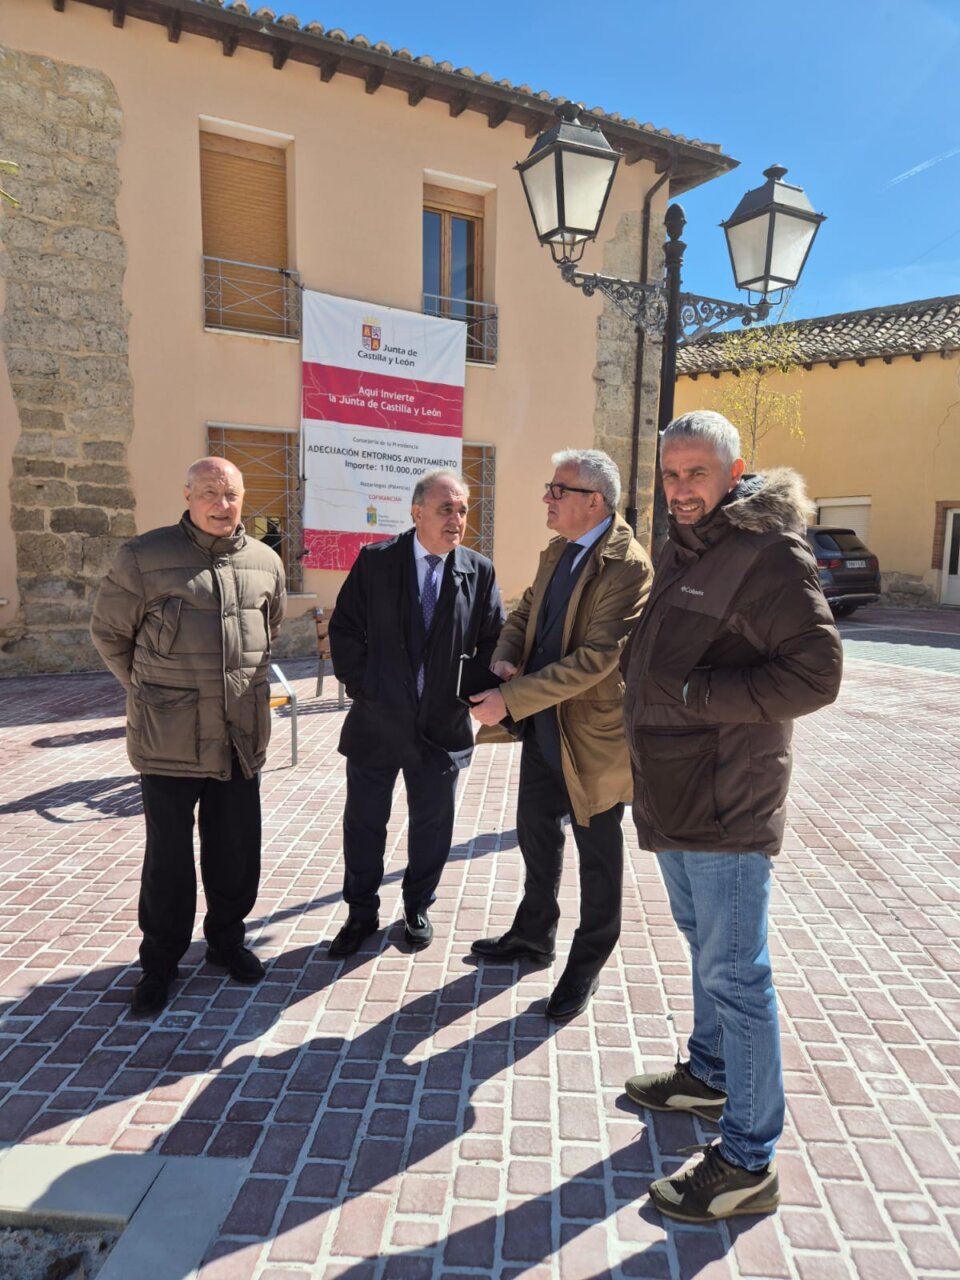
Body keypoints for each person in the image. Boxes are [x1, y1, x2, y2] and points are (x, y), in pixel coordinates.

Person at [620, 410, 842, 1223]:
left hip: (726, 801)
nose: (681, 489)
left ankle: (749, 1161)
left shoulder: (767, 553)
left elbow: (816, 675)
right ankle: (711, 1075)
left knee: (737, 976)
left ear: (734, 472)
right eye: (671, 474)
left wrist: (694, 694)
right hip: (678, 792)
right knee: (706, 949)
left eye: (697, 473)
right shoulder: (690, 545)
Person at [90, 458, 287, 1017]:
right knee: (169, 861)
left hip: (238, 737)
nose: (222, 505)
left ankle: (226, 941)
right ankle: (159, 961)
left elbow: (268, 631)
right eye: (210, 493)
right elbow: (109, 633)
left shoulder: (265, 561)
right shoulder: (143, 557)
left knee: (235, 850)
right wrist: (150, 692)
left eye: (232, 494)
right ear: (187, 495)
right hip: (169, 741)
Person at [468, 450, 652, 1020]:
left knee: (598, 854)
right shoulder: (559, 550)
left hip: (592, 736)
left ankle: (588, 961)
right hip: (544, 724)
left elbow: (597, 658)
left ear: (593, 501)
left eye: (558, 489)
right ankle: (533, 933)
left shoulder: (629, 566)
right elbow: (525, 613)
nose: (546, 498)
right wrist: (505, 655)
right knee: (536, 832)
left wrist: (509, 699)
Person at [327, 469, 503, 956]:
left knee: (432, 824)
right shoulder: (377, 561)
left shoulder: (479, 570)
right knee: (365, 823)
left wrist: (474, 691)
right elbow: (345, 629)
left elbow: (494, 638)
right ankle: (360, 912)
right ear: (417, 512)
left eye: (463, 509)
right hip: (377, 722)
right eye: (447, 509)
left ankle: (417, 905)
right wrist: (365, 686)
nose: (457, 519)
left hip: (441, 727)